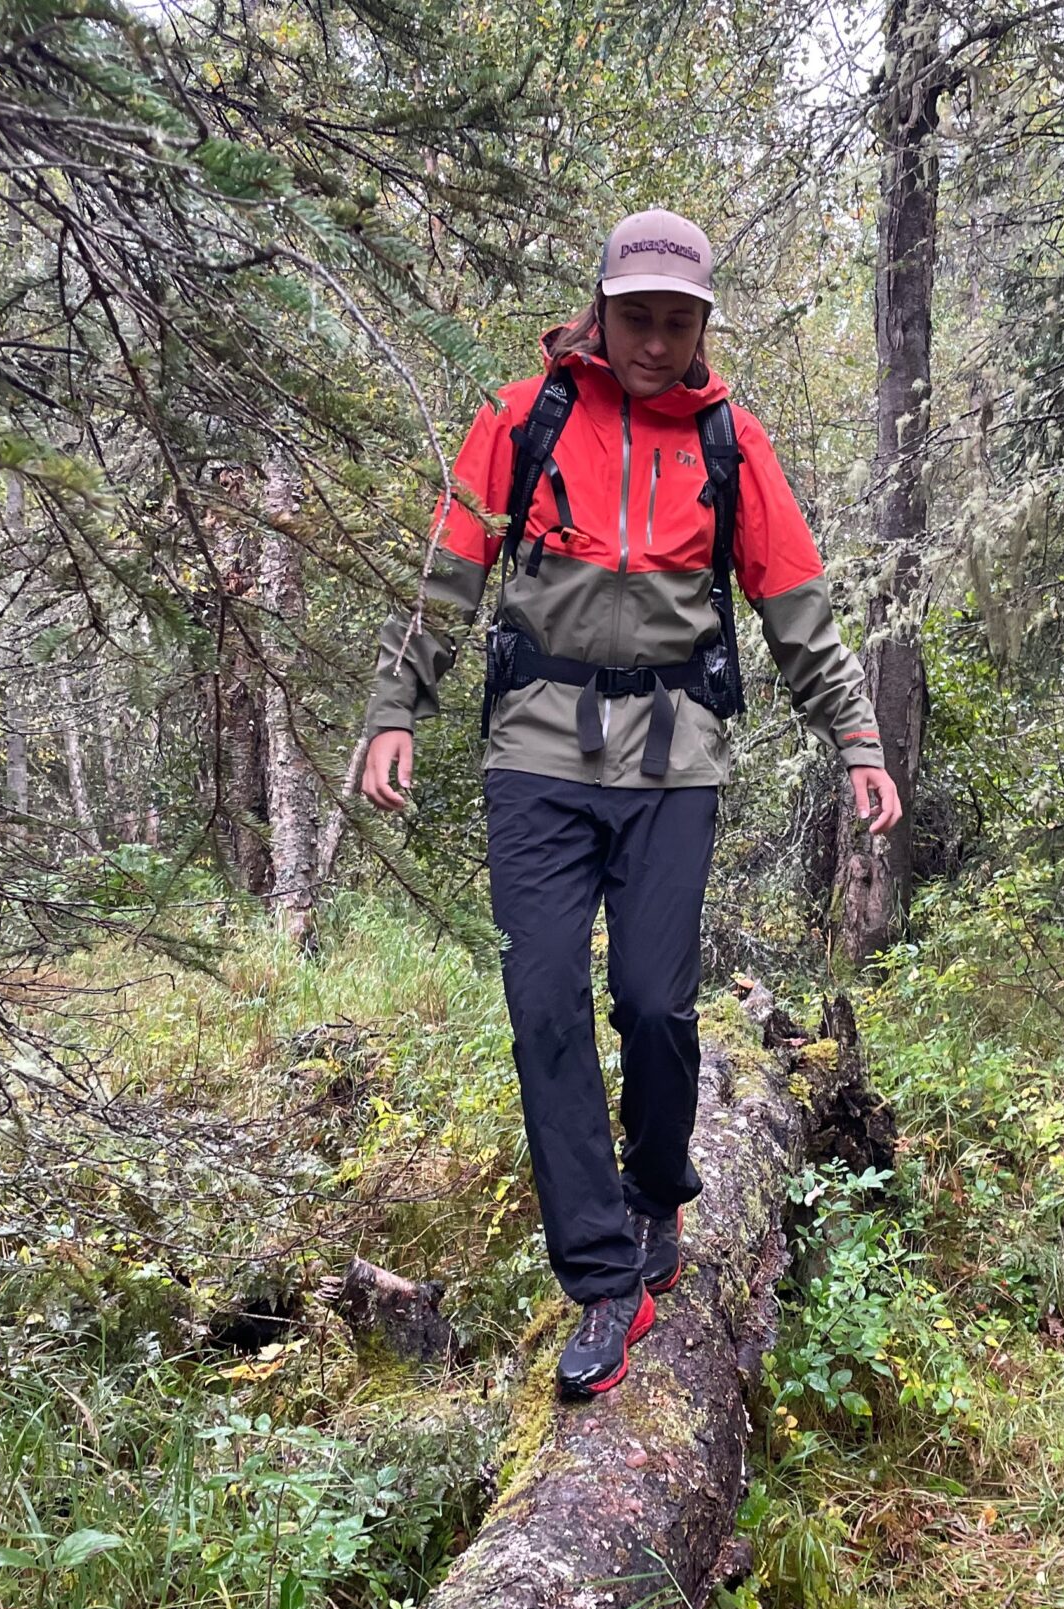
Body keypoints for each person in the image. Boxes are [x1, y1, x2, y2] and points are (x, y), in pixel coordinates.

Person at [357, 208, 901, 1400]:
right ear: (600, 308)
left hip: (673, 756)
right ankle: (606, 1279)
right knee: (542, 1001)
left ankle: (658, 1188)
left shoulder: (731, 443)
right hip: (536, 757)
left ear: (703, 326)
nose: (656, 340)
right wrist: (397, 708)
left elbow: (796, 607)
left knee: (654, 1006)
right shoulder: (522, 417)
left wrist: (856, 738)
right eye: (637, 315)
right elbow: (451, 577)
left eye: (678, 320)